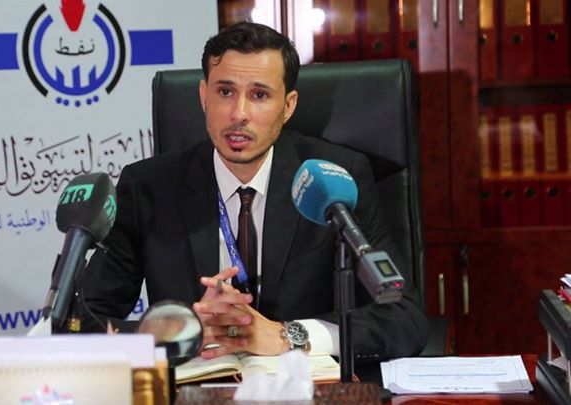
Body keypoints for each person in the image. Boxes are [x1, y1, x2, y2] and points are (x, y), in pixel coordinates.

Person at [82, 21, 429, 362]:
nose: (239, 114)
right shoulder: (148, 188)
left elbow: (404, 318)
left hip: (302, 385)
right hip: (197, 384)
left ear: (288, 106)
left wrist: (287, 335)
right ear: (204, 96)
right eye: (225, 92)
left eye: (259, 95)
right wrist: (177, 332)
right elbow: (81, 320)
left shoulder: (332, 182)